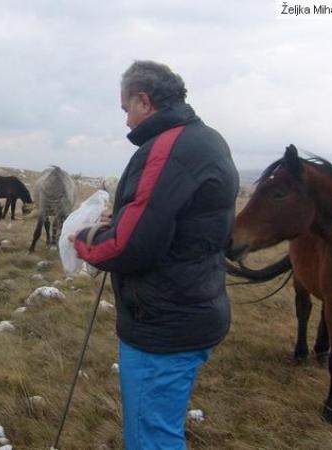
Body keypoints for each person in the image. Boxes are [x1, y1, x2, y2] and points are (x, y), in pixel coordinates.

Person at [69, 61, 239, 449]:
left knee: (151, 438)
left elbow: (129, 247)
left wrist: (82, 240)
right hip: (195, 306)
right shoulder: (208, 139)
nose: (127, 122)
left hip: (162, 323)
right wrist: (124, 220)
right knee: (161, 426)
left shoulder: (166, 149)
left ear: (144, 101)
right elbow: (180, 224)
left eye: (126, 108)